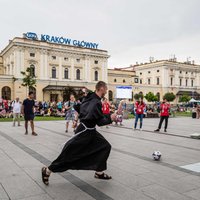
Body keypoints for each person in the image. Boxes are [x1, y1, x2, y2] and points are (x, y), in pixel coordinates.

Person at [41, 81, 117, 185]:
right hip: (84, 132)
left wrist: (78, 118)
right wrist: (111, 118)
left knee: (105, 146)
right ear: (101, 88)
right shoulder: (96, 102)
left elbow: (78, 107)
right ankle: (48, 170)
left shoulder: (90, 97)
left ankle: (99, 172)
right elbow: (99, 122)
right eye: (106, 88)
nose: (107, 90)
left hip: (90, 130)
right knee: (70, 155)